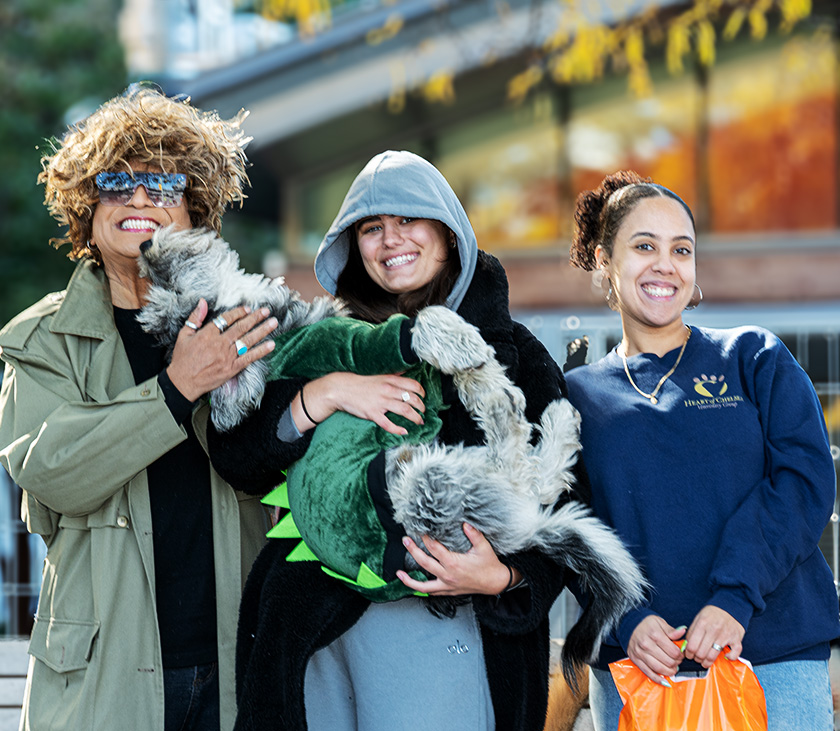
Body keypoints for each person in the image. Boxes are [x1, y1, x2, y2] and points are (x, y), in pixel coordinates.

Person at [207, 150, 590, 731]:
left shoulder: (513, 352)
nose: (391, 241)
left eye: (408, 220)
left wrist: (506, 579)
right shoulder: (326, 339)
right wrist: (326, 394)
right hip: (322, 634)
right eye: (371, 228)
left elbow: (568, 495)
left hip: (448, 619)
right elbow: (237, 455)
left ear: (447, 231)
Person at [0, 86, 278, 731]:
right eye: (117, 182)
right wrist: (177, 388)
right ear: (86, 208)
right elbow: (52, 468)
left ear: (196, 210)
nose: (141, 199)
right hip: (102, 676)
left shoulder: (246, 322)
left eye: (165, 184)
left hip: (244, 658)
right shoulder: (42, 339)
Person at [564, 171, 839, 731]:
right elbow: (568, 525)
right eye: (644, 246)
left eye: (681, 250)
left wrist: (733, 597)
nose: (666, 265)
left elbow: (803, 483)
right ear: (603, 261)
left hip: (770, 656)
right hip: (640, 670)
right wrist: (626, 619)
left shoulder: (754, 357)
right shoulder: (576, 397)